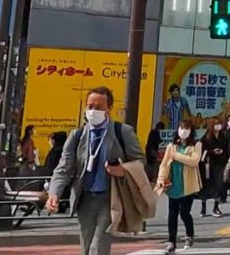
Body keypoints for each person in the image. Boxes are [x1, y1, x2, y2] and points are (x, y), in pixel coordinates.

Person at [45, 87, 146, 255]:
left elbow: (140, 162)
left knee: (98, 247)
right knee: (86, 247)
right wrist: (54, 193)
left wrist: (123, 170)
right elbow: (64, 168)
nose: (93, 111)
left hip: (110, 199)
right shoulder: (77, 135)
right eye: (90, 106)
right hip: (84, 199)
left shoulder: (122, 132)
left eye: (99, 107)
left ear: (109, 108)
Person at [156, 119, 202, 252]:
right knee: (172, 214)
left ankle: (189, 235)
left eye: (186, 129)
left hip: (188, 186)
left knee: (185, 212)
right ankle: (172, 241)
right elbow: (164, 164)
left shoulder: (196, 144)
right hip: (173, 184)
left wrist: (176, 156)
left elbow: (194, 161)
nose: (183, 131)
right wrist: (161, 179)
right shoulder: (171, 146)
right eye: (181, 128)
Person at [199, 117, 227, 218]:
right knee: (206, 185)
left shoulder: (223, 136)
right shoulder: (206, 137)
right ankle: (203, 206)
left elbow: (226, 148)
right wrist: (212, 152)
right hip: (208, 164)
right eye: (216, 124)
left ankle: (216, 207)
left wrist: (222, 152)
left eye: (219, 123)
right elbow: (202, 151)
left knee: (219, 185)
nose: (218, 126)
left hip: (220, 164)